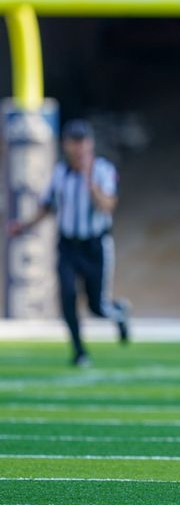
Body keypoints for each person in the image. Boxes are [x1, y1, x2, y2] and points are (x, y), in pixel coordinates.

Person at [8, 119, 130, 366]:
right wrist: (24, 225)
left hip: (95, 246)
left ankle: (119, 314)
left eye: (82, 141)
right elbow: (47, 206)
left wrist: (88, 180)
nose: (78, 147)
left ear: (90, 144)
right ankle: (78, 351)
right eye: (73, 141)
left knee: (97, 307)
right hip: (68, 245)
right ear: (65, 144)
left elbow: (107, 206)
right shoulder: (60, 173)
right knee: (67, 294)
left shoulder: (102, 170)